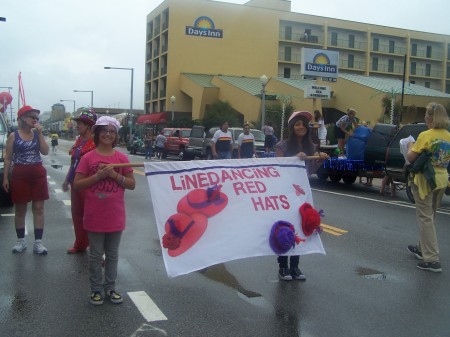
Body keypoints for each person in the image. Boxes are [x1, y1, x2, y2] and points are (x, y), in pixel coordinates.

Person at [74, 116, 136, 305]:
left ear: (116, 135)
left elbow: (132, 184)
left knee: (112, 254)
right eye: (104, 130)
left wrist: (114, 175)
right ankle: (95, 290)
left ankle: (110, 288)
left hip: (115, 216)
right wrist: (98, 176)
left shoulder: (122, 159)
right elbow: (77, 184)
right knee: (95, 255)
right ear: (97, 133)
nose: (108, 134)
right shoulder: (88, 158)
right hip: (94, 215)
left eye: (112, 131)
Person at [274, 110, 328, 281]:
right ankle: (283, 267)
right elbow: (278, 169)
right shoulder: (282, 146)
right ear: (292, 127)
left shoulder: (310, 147)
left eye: (304, 125)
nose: (301, 127)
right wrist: (294, 158)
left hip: (302, 194)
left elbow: (309, 171)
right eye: (297, 124)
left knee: (300, 226)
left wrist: (319, 160)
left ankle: (295, 266)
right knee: (285, 228)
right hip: (285, 193)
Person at [406, 102, 450, 273]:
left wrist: (410, 146)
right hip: (441, 178)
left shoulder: (425, 135)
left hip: (425, 180)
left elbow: (411, 158)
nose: (424, 118)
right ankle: (422, 247)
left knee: (425, 217)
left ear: (431, 117)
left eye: (426, 115)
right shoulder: (448, 135)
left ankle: (431, 259)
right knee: (431, 215)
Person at [2, 105, 50, 255]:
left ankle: (38, 243)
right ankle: (21, 241)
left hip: (37, 172)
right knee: (20, 209)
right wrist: (5, 178)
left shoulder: (37, 135)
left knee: (39, 208)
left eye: (37, 118)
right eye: (32, 117)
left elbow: (45, 151)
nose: (35, 120)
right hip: (20, 173)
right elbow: (8, 157)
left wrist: (40, 133)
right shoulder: (13, 136)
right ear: (23, 118)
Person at [62, 108, 97, 254]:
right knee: (77, 214)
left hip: (89, 184)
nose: (77, 126)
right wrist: (67, 179)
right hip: (76, 183)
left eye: (80, 123)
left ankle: (98, 249)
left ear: (89, 126)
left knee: (92, 216)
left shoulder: (96, 143)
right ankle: (80, 244)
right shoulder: (79, 141)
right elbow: (74, 163)